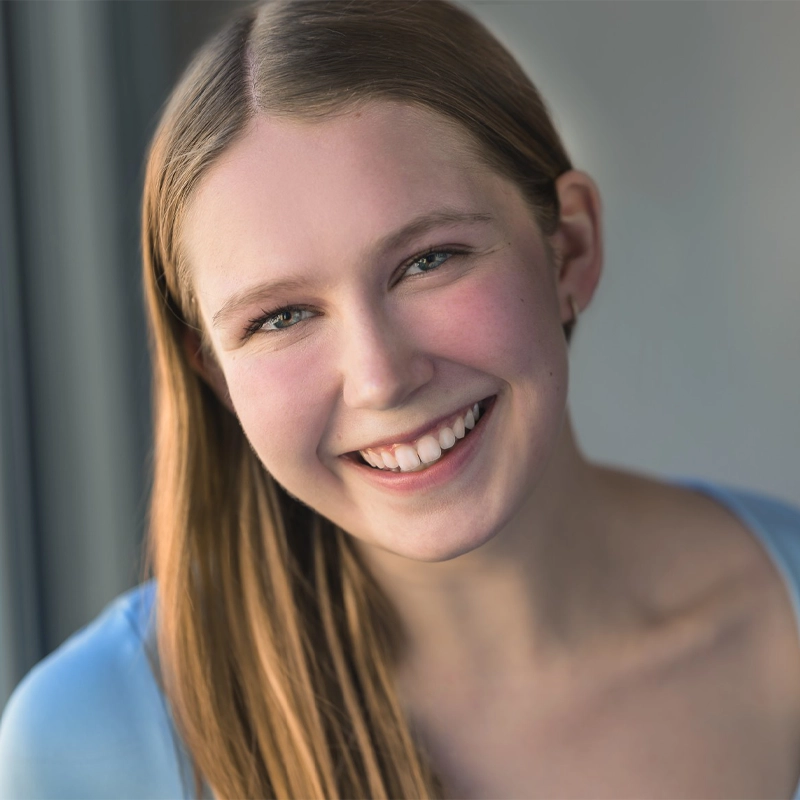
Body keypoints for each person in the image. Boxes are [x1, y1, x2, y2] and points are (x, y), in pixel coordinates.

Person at [2, 1, 800, 798]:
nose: (381, 378)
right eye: (281, 318)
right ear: (214, 375)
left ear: (570, 249)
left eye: (428, 261)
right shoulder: (90, 741)